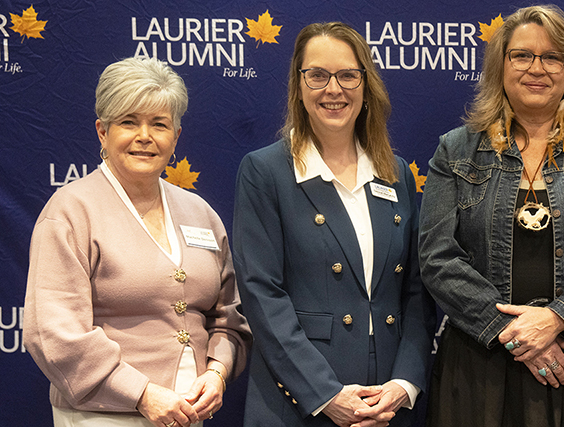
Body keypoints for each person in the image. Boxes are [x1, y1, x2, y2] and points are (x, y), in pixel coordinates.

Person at [418, 5, 564, 427]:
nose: (536, 68)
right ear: (500, 66)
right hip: (482, 365)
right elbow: (437, 258)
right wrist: (517, 335)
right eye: (522, 55)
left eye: (551, 57)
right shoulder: (455, 151)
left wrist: (558, 318)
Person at [23, 57, 252, 427]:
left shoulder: (200, 213)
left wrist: (217, 372)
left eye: (159, 124)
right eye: (129, 122)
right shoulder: (70, 211)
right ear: (102, 132)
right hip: (101, 416)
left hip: (191, 414)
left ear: (175, 137)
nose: (144, 136)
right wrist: (142, 393)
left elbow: (229, 317)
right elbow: (54, 333)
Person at [233, 22, 435, 427]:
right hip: (299, 401)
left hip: (387, 404)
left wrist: (405, 383)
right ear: (299, 84)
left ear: (366, 83)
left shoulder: (394, 173)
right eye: (318, 75)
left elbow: (416, 289)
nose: (334, 89)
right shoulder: (265, 171)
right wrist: (325, 394)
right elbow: (262, 295)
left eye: (347, 75)